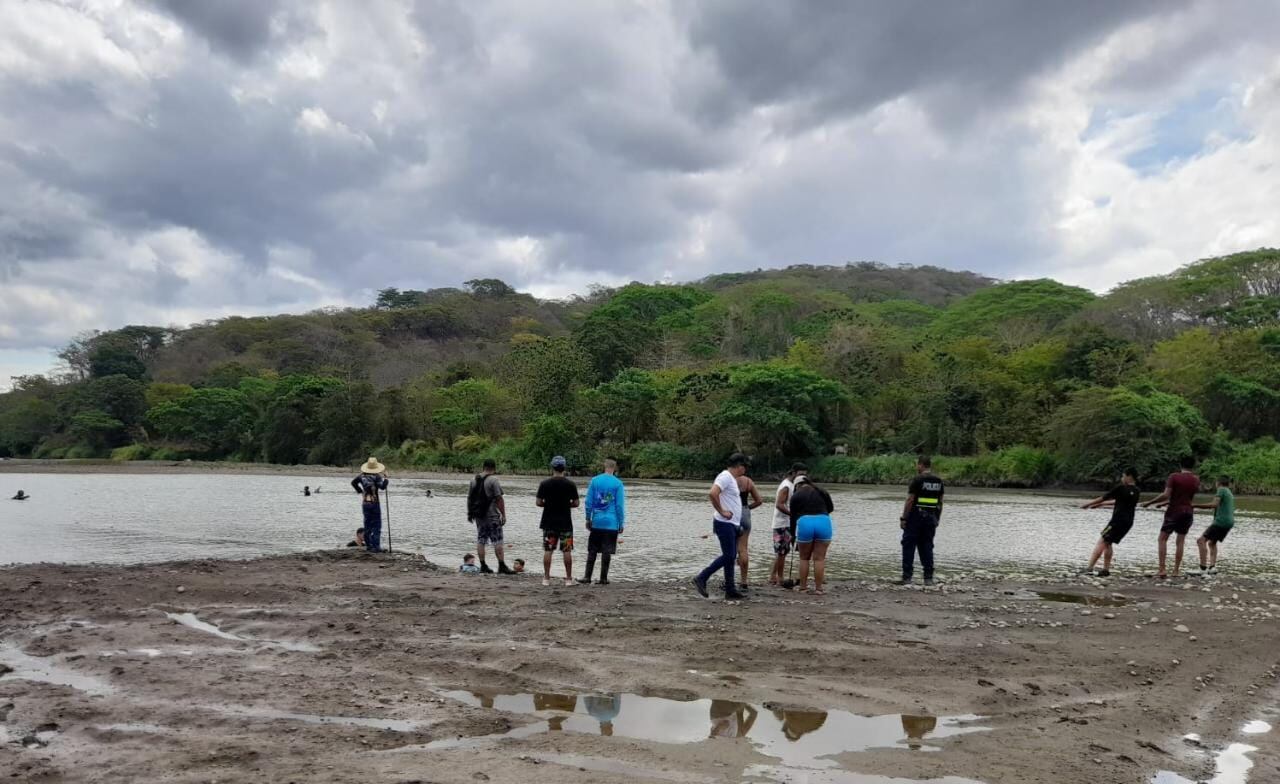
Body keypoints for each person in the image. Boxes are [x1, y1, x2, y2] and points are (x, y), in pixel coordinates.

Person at [693, 453, 749, 600]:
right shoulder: (725, 477)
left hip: (731, 524)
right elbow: (712, 493)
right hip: (724, 523)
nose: (746, 470)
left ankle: (730, 589)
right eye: (745, 466)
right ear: (739, 466)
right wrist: (722, 511)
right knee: (729, 556)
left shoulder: (730, 478)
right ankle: (702, 577)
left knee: (730, 556)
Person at [1141, 455, 1199, 578]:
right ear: (1193, 466)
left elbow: (1166, 495)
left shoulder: (1174, 476)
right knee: (1180, 541)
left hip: (1174, 511)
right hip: (1188, 511)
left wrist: (1149, 502)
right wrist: (1163, 503)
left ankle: (1162, 569)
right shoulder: (1196, 480)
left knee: (1162, 539)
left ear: (1180, 465)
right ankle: (1176, 571)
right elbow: (1185, 498)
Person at [1079, 467, 1142, 576]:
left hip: (1117, 521)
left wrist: (1088, 504)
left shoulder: (1121, 488)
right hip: (1128, 522)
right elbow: (1118, 501)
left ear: (1129, 476)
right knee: (1108, 543)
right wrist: (1101, 505)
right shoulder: (1136, 491)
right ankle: (1106, 569)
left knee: (1102, 541)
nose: (1122, 478)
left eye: (1123, 476)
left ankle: (1089, 568)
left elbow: (1104, 497)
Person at [899, 455, 944, 586]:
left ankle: (907, 577)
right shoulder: (938, 481)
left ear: (921, 465)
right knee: (927, 547)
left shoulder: (917, 480)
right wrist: (937, 518)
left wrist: (904, 518)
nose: (916, 467)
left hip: (915, 518)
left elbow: (910, 500)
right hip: (931, 519)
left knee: (908, 545)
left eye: (917, 465)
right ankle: (928, 578)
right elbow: (940, 502)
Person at [580, 458, 626, 585]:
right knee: (607, 550)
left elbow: (588, 502)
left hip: (597, 521)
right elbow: (619, 506)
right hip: (611, 522)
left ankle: (587, 577)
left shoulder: (595, 481)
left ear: (604, 467)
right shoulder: (618, 484)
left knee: (592, 549)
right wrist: (621, 523)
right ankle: (603, 578)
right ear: (614, 468)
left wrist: (588, 518)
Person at [536, 456, 579, 587]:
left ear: (552, 467)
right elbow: (576, 503)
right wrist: (566, 505)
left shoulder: (544, 484)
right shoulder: (570, 484)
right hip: (565, 522)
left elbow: (538, 502)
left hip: (549, 522)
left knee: (548, 550)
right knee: (567, 550)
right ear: (564, 468)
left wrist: (548, 504)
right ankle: (568, 579)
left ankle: (546, 578)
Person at [467, 459, 513, 574]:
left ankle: (483, 565)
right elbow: (499, 499)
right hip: (492, 516)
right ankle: (501, 566)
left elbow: (470, 498)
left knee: (481, 540)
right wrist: (503, 514)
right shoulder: (494, 480)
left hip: (479, 516)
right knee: (497, 541)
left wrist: (470, 513)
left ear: (483, 467)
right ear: (494, 468)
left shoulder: (473, 480)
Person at [790, 476, 834, 594]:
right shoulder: (822, 491)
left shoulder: (796, 496)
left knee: (804, 558)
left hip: (805, 523)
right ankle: (819, 589)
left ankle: (803, 588)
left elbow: (793, 517)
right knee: (819, 559)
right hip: (823, 521)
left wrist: (792, 536)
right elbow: (830, 508)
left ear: (797, 486)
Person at [770, 463, 805, 586]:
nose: (802, 477)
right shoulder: (786, 486)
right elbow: (779, 504)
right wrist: (792, 514)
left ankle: (773, 576)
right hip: (781, 523)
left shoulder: (793, 485)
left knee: (782, 551)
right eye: (800, 474)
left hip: (788, 522)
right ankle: (780, 578)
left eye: (804, 475)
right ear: (793, 472)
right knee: (782, 552)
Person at [1194, 476, 1235, 574]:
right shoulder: (1229, 492)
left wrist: (1194, 505)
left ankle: (1202, 568)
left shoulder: (1221, 490)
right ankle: (1212, 568)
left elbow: (1214, 505)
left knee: (1201, 541)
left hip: (1221, 521)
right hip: (1229, 522)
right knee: (1212, 543)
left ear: (1218, 483)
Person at [350, 457, 388, 552]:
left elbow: (353, 483)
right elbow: (383, 487)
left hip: (365, 504)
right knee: (377, 525)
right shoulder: (377, 476)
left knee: (367, 525)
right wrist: (386, 478)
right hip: (375, 503)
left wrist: (360, 491)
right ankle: (376, 546)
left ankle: (369, 546)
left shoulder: (361, 476)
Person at [735, 470, 764, 589]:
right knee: (743, 549)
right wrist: (747, 508)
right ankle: (744, 580)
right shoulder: (748, 481)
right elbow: (759, 501)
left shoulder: (729, 480)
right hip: (745, 512)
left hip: (732, 513)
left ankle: (729, 578)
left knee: (730, 547)